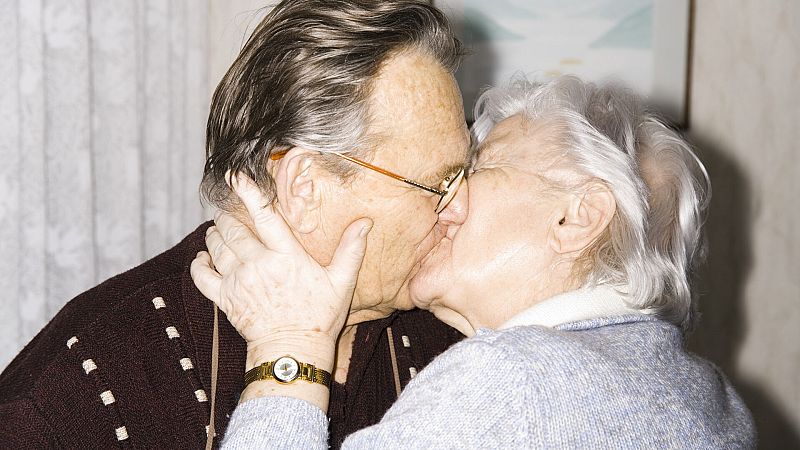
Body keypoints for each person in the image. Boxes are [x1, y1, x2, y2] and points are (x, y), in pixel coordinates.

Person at [192, 76, 757, 448]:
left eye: (479, 169)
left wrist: (288, 348)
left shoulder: (513, 380)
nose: (447, 199)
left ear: (576, 218)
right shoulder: (710, 394)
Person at [0, 1, 470, 448]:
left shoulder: (451, 339)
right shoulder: (77, 391)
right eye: (439, 184)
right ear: (305, 186)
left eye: (466, 176)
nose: (460, 208)